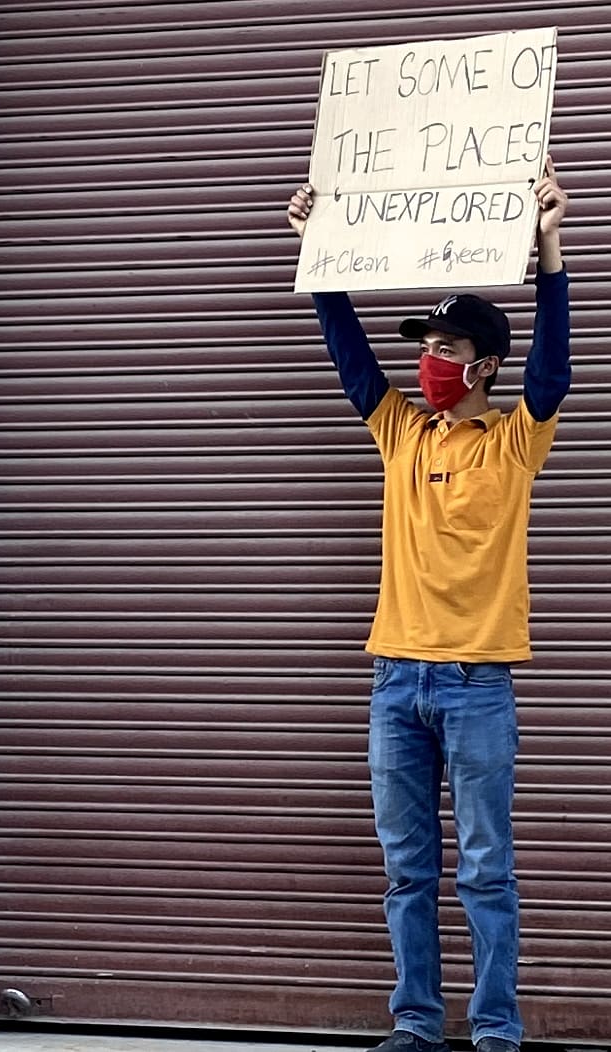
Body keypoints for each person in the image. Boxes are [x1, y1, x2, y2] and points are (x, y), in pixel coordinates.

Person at [287, 156, 569, 1052]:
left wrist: (552, 251)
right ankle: (415, 1026)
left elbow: (555, 369)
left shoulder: (517, 440)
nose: (428, 360)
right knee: (407, 872)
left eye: (445, 349)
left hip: (478, 685)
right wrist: (320, 251)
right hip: (394, 683)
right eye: (426, 346)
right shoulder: (400, 430)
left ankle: (495, 1034)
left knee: (486, 872)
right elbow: (350, 358)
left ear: (484, 364)